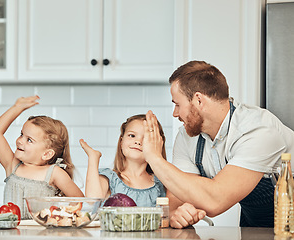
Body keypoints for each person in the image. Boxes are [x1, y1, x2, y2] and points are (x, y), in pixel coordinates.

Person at [142, 60, 294, 228]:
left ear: (198, 100)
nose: (175, 113)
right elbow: (178, 195)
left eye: (178, 104)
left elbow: (215, 200)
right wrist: (177, 213)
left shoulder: (258, 130)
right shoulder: (187, 136)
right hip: (254, 224)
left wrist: (153, 157)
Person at [0, 95, 84, 219]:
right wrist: (17, 108)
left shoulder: (54, 173)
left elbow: (78, 200)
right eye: (21, 134)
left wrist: (61, 216)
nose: (20, 141)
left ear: (47, 154)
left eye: (29, 140)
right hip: (11, 235)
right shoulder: (12, 165)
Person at [80, 114, 166, 206]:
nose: (138, 142)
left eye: (145, 139)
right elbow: (93, 200)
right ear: (121, 142)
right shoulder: (110, 178)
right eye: (132, 135)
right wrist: (93, 158)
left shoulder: (160, 183)